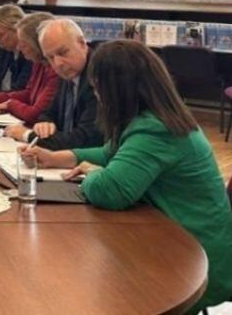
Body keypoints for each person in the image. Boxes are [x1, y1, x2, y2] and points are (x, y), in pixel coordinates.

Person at [24, 40, 232, 312]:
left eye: (97, 88)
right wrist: (59, 158)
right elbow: (110, 152)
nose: (97, 96)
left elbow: (110, 191)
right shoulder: (156, 117)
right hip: (177, 239)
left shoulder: (156, 130)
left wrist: (95, 173)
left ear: (115, 90)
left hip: (193, 261)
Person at [5, 18, 103, 149]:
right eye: (50, 57)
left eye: (63, 52)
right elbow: (49, 112)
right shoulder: (69, 72)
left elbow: (86, 139)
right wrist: (44, 123)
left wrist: (27, 135)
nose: (58, 63)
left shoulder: (100, 75)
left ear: (82, 43)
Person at [0, 12, 60, 125]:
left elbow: (34, 115)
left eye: (24, 43)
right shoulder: (38, 63)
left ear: (38, 44)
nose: (19, 47)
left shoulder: (56, 70)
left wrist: (10, 104)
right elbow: (28, 93)